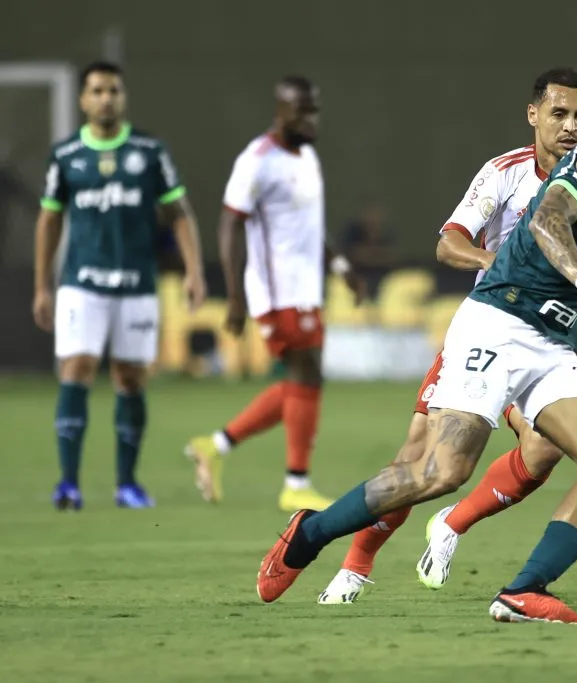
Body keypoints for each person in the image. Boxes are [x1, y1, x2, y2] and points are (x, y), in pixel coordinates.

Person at [256, 58, 577, 624]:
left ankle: (522, 591)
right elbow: (546, 222)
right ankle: (308, 533)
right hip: (499, 323)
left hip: (555, 345)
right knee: (440, 472)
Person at [317, 66, 577, 604]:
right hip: (487, 337)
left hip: (551, 345)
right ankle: (354, 567)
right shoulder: (503, 174)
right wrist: (503, 264)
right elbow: (449, 244)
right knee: (418, 462)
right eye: (558, 113)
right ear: (533, 114)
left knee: (545, 451)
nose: (570, 126)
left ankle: (451, 525)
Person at [184, 76, 363, 513]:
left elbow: (310, 225)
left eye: (314, 109)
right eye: (302, 110)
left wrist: (339, 266)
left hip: (305, 289)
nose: (311, 118)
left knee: (303, 380)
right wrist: (234, 297)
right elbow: (230, 224)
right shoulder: (257, 160)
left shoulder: (306, 156)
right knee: (305, 376)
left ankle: (216, 445)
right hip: (276, 289)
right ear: (280, 111)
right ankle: (295, 483)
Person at [32, 61, 206, 510]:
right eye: (97, 90)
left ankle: (127, 484)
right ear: (83, 99)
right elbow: (49, 219)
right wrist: (42, 286)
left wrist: (194, 270)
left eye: (113, 90)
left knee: (130, 378)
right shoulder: (66, 154)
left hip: (135, 286)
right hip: (81, 284)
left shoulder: (149, 151)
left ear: (122, 97)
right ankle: (68, 483)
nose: (105, 98)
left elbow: (179, 213)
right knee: (77, 369)